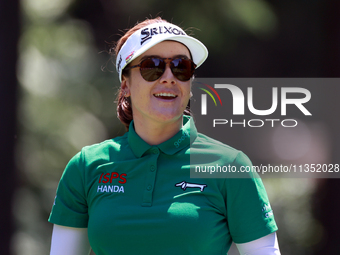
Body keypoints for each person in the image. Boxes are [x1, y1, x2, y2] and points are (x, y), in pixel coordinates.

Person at [49, 17, 280, 255]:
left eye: (182, 67)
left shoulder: (231, 166)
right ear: (125, 84)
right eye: (152, 66)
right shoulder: (86, 166)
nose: (169, 77)